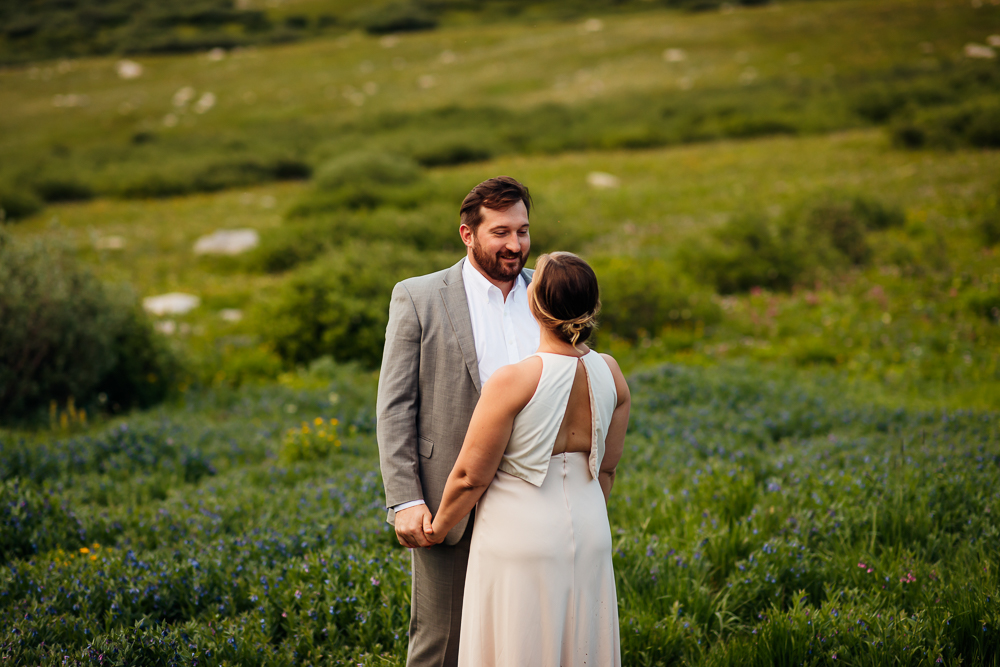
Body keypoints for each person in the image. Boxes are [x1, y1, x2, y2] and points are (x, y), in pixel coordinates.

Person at [424, 251, 631, 667]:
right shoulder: (611, 371)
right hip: (591, 529)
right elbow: (606, 468)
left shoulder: (516, 378)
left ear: (534, 305)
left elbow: (469, 476)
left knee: (519, 647)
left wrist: (437, 528)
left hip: (519, 535)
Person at [377, 176, 540, 666]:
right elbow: (395, 404)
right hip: (447, 497)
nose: (516, 245)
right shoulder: (419, 296)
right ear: (468, 234)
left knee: (526, 632)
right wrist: (404, 499)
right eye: (501, 232)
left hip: (535, 495)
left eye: (524, 231)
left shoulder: (546, 294)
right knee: (442, 641)